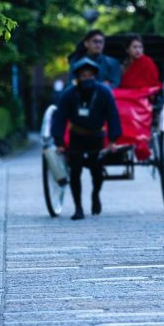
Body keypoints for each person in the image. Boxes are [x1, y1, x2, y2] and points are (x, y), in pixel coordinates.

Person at [52, 58, 122, 220]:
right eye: (83, 76)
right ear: (78, 77)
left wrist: (113, 140)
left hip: (97, 136)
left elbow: (113, 116)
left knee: (97, 172)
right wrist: (59, 142)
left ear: (95, 76)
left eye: (90, 75)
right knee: (75, 172)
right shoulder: (69, 94)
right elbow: (60, 118)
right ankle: (78, 208)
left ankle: (95, 194)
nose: (87, 78)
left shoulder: (104, 92)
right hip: (77, 136)